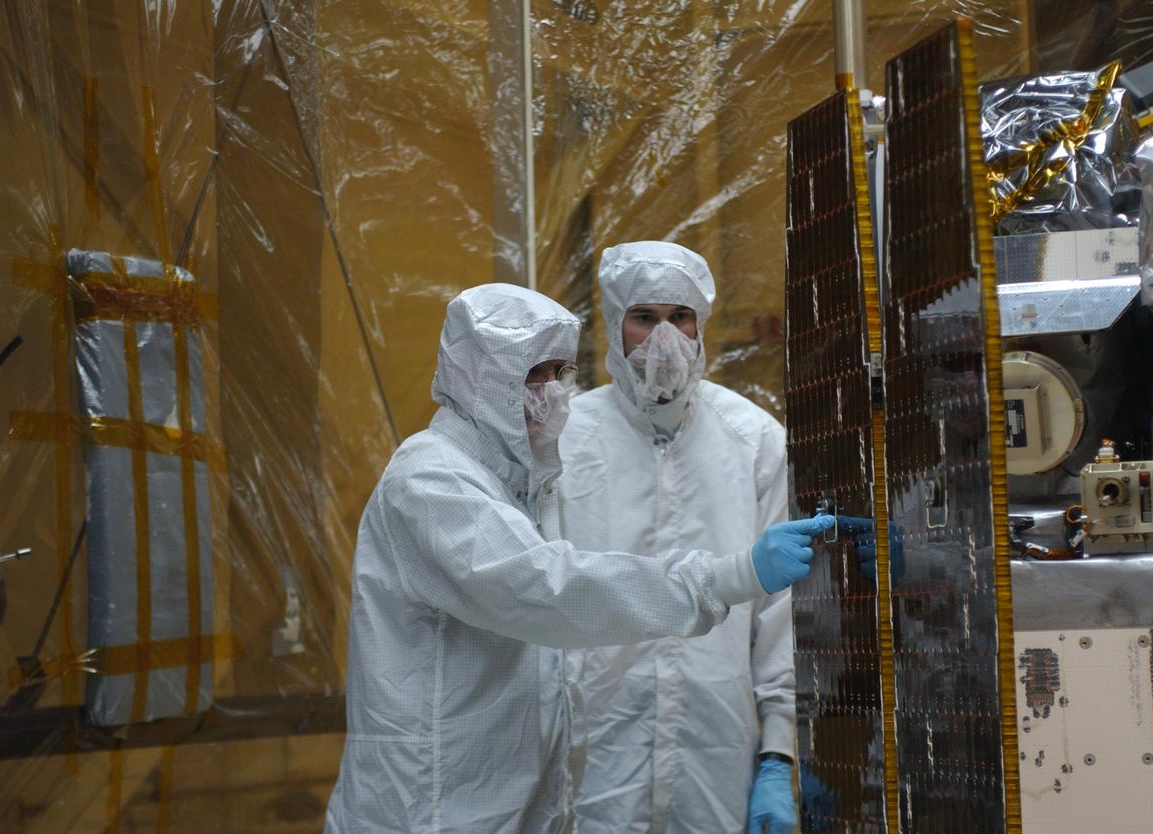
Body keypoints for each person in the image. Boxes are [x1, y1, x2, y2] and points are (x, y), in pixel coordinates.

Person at [323, 282, 832, 834]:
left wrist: (779, 752)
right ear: (476, 377)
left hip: (506, 800)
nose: (553, 392)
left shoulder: (514, 481)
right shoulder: (431, 482)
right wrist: (733, 574)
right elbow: (547, 590)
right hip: (431, 807)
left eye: (558, 372)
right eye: (532, 374)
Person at [554, 241, 798, 834]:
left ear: (699, 326)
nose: (664, 339)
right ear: (615, 326)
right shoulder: (564, 441)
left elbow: (780, 617)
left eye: (678, 318)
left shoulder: (753, 441)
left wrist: (779, 755)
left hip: (716, 751)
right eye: (644, 318)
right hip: (593, 754)